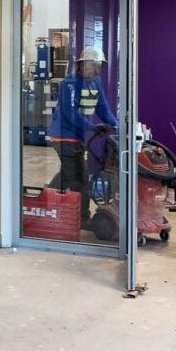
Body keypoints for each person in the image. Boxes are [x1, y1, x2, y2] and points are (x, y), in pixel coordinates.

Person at [47, 46, 117, 227]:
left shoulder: (96, 82)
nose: (99, 70)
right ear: (83, 65)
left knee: (66, 175)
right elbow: (70, 114)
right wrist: (93, 127)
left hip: (78, 137)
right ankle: (83, 219)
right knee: (80, 180)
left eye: (100, 66)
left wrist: (117, 125)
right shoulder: (70, 83)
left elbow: (102, 107)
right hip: (64, 137)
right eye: (95, 66)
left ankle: (44, 203)